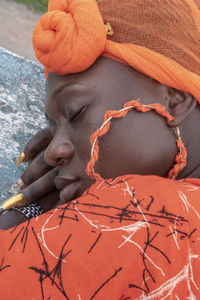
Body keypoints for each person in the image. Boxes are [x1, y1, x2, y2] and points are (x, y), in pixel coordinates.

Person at [0, 0, 200, 298]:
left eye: (76, 112)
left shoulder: (148, 215)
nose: (54, 151)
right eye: (52, 129)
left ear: (175, 99)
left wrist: (19, 219)